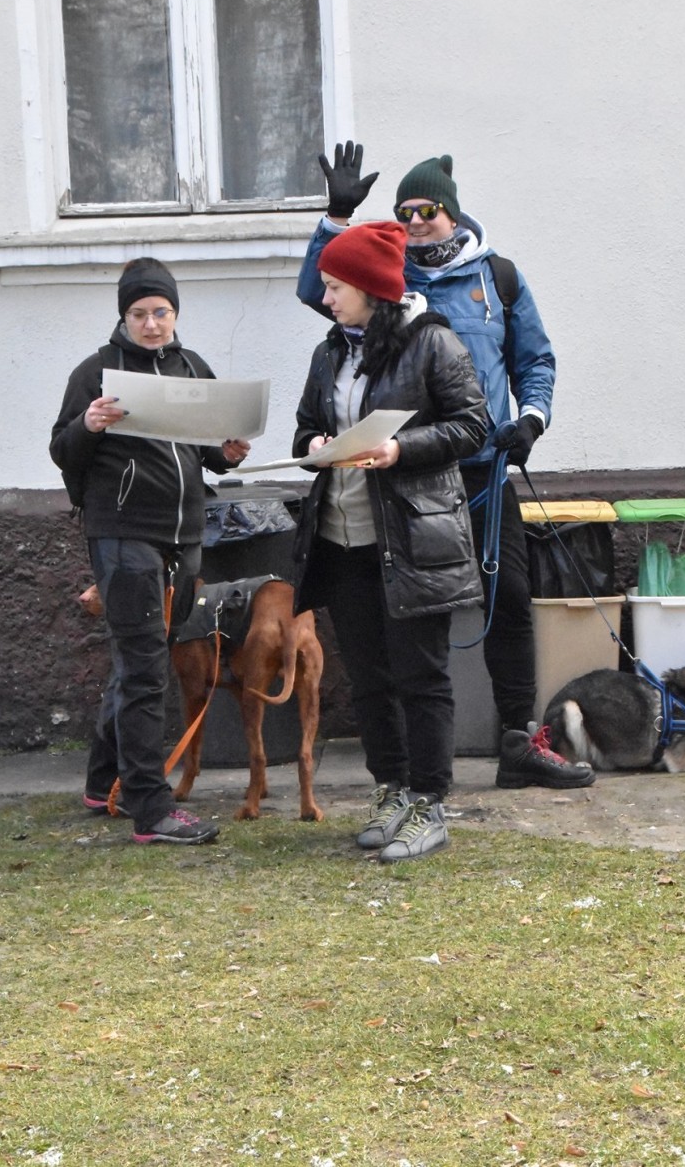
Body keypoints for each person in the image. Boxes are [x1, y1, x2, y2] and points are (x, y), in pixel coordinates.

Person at [297, 142, 595, 791]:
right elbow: (319, 289)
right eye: (403, 210)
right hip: (407, 476)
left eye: (427, 208)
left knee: (510, 599)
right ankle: (406, 776)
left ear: (453, 213)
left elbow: (535, 358)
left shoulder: (498, 277)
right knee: (401, 619)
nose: (415, 220)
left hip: (486, 468)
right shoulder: (390, 282)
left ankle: (519, 740)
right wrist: (336, 218)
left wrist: (532, 420)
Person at [292, 219, 487, 861]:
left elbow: (473, 426)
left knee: (420, 677)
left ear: (371, 288)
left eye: (335, 286)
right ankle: (392, 791)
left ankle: (429, 804)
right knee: (371, 680)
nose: (326, 298)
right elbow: (305, 428)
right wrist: (315, 446)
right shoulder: (329, 352)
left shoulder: (431, 343)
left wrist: (399, 448)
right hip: (341, 538)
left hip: (411, 541)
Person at [50, 257, 251, 845]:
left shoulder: (192, 368)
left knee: (141, 659)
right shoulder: (95, 372)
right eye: (139, 313)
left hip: (184, 535)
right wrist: (87, 424)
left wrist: (228, 453)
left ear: (175, 313)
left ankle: (101, 780)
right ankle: (150, 808)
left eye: (160, 311)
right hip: (121, 532)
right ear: (124, 317)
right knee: (143, 669)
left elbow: (206, 452)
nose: (152, 323)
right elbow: (63, 452)